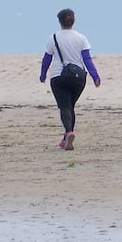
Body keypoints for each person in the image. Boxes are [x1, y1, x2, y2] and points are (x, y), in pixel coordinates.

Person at [38, 8, 102, 151]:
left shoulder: (53, 38)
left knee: (65, 107)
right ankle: (66, 137)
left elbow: (46, 59)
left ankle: (68, 133)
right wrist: (95, 76)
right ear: (73, 21)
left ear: (59, 22)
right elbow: (87, 58)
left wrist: (42, 75)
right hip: (78, 78)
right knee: (70, 107)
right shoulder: (81, 38)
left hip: (58, 77)